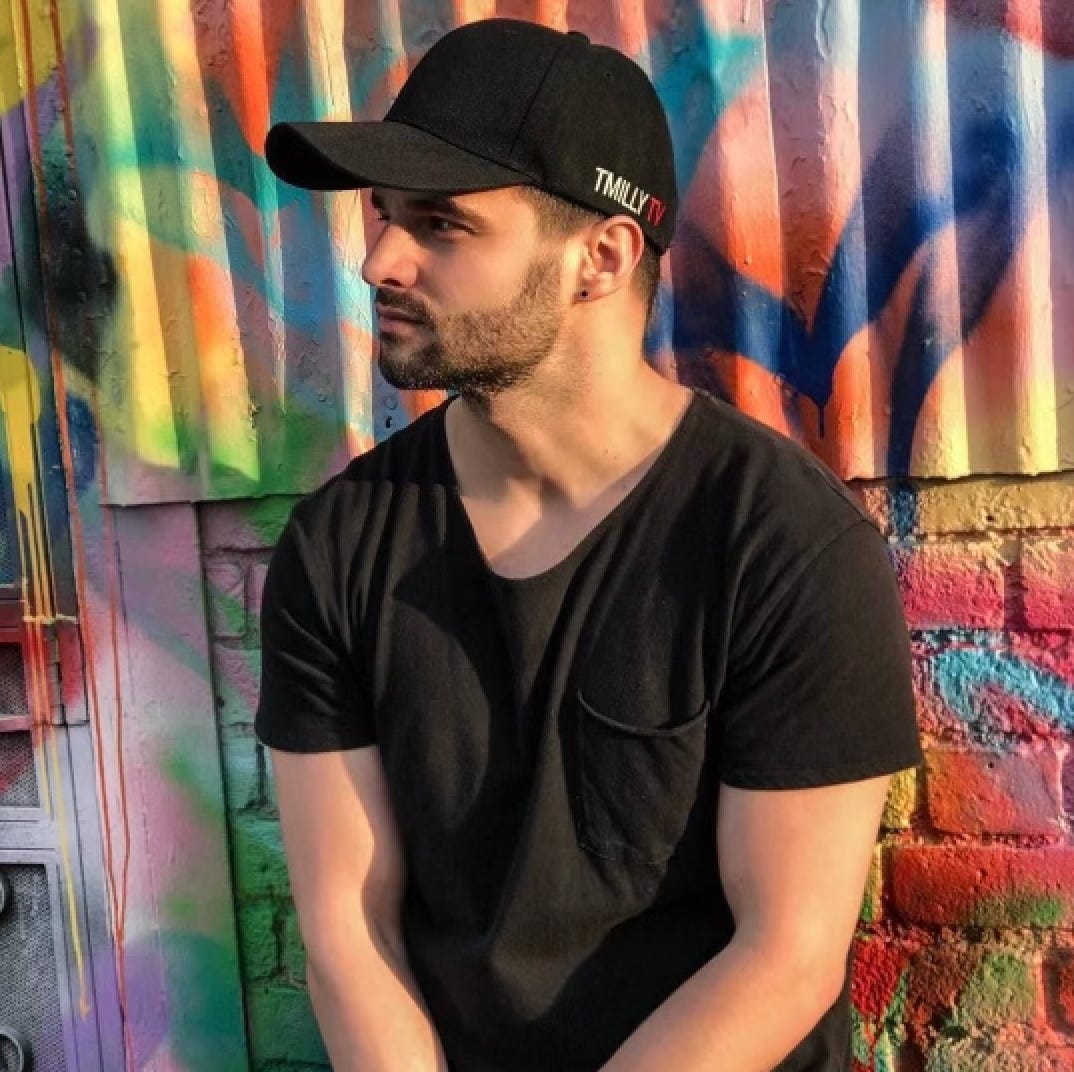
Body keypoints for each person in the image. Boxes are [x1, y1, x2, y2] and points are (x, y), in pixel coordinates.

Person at [255, 18, 922, 1072]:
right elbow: (349, 928)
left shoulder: (784, 545)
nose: (380, 259)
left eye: (441, 225)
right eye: (380, 217)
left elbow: (788, 953)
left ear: (599, 259)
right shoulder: (338, 548)